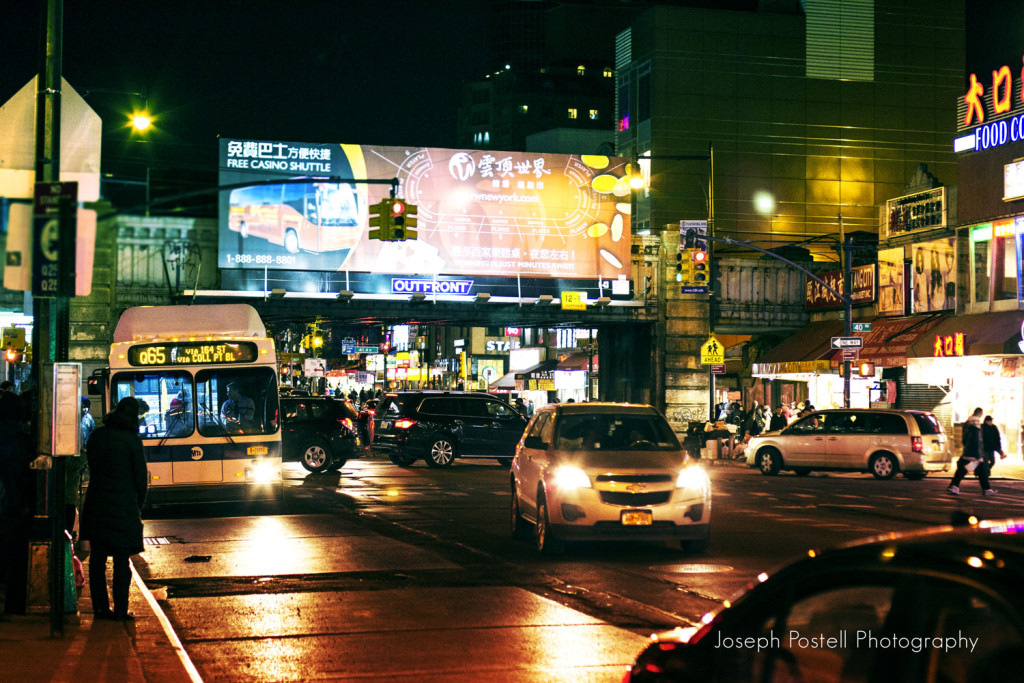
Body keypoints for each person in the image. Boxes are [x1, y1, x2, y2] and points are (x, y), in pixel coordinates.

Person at [80, 397, 148, 620]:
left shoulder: (97, 436)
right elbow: (140, 479)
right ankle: (120, 609)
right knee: (122, 561)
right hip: (124, 506)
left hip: (97, 503)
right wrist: (137, 506)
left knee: (98, 559)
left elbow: (92, 467)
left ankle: (100, 608)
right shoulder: (131, 440)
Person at [0, 391, 32, 612]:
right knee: (16, 561)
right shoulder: (24, 440)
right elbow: (27, 479)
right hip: (14, 509)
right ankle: (14, 605)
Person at [947, 407, 992, 496]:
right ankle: (954, 486)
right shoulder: (976, 424)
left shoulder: (968, 423)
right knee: (965, 469)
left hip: (969, 451)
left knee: (978, 470)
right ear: (980, 414)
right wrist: (978, 454)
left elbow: (965, 439)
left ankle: (986, 489)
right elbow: (977, 441)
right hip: (973, 453)